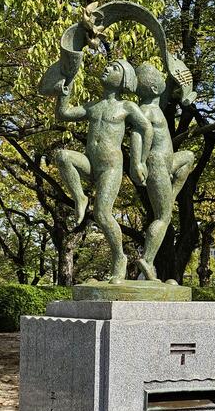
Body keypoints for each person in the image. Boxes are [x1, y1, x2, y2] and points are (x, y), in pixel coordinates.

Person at [53, 58, 152, 283]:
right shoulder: (93, 106)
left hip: (111, 167)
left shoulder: (127, 106)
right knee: (62, 155)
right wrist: (65, 86)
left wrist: (139, 161)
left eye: (114, 68)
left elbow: (146, 128)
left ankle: (120, 259)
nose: (107, 68)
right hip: (90, 161)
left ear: (124, 79)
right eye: (108, 66)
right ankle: (80, 197)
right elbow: (63, 113)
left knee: (102, 214)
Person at [129, 62, 195, 281]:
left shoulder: (155, 105)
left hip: (168, 161)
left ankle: (172, 195)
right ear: (156, 88)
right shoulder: (146, 111)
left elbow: (170, 89)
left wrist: (181, 85)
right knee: (163, 216)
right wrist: (137, 162)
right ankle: (147, 259)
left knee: (188, 157)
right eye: (160, 78)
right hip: (157, 163)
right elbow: (137, 135)